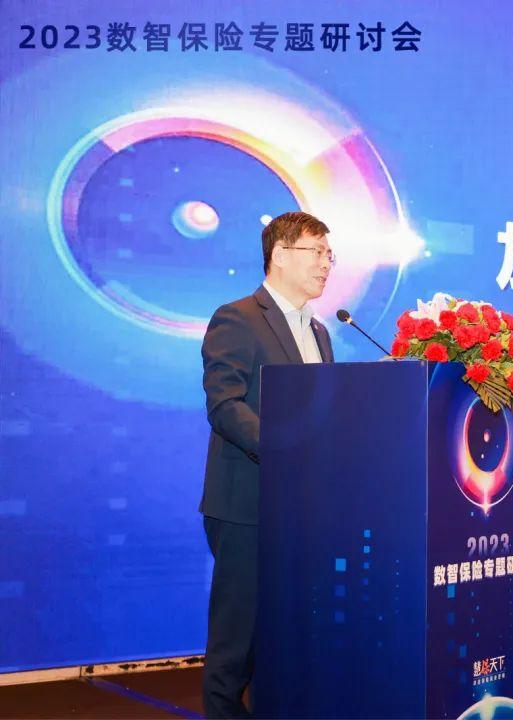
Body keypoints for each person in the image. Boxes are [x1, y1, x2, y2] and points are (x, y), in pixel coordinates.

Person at [199, 211, 335, 718]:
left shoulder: (320, 332)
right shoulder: (238, 317)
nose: (326, 264)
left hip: (303, 510)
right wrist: (285, 450)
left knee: (286, 638)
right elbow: (225, 404)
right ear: (279, 254)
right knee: (237, 642)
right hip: (248, 506)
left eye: (330, 255)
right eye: (316, 252)